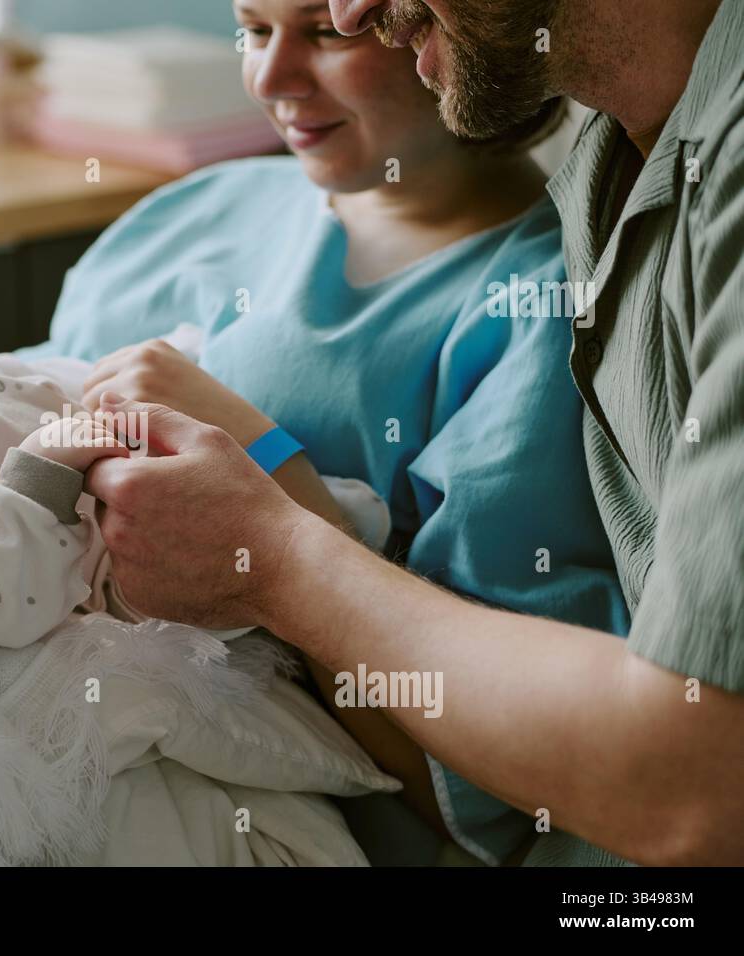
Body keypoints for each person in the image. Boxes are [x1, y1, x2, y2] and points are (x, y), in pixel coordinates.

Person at [0, 0, 632, 864]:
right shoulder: (190, 213)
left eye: (328, 34)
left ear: (443, 29)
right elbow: (1, 437)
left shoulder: (539, 310)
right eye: (255, 31)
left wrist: (274, 482)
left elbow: (502, 787)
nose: (271, 80)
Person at [78, 0, 744, 865]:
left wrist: (278, 546)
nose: (353, 8)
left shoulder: (533, 287)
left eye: (324, 31)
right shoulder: (620, 166)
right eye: (255, 27)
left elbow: (691, 789)